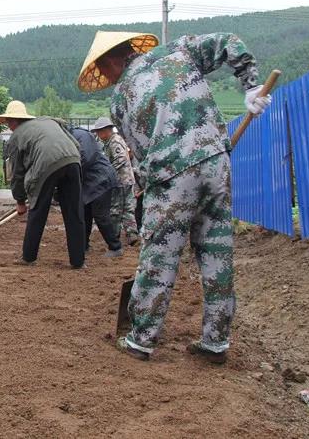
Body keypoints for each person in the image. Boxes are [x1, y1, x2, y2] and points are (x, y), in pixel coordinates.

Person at [78, 30, 271, 363]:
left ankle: (141, 339)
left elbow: (139, 153)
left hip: (170, 177)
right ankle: (216, 342)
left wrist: (147, 191)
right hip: (216, 163)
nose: (107, 79)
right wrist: (250, 84)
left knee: (160, 257)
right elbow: (228, 41)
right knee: (216, 253)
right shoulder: (179, 52)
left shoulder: (120, 100)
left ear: (111, 60)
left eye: (104, 71)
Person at [0, 101, 86, 268]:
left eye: (8, 122)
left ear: (13, 121)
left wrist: (20, 201)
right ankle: (78, 262)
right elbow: (76, 145)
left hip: (46, 164)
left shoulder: (16, 137)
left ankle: (28, 257)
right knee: (74, 212)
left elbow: (16, 173)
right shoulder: (48, 121)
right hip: (73, 160)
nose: (8, 125)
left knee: (38, 211)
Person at [71, 126, 122, 257]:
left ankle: (115, 247)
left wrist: (71, 173)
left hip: (101, 179)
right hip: (91, 182)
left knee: (100, 215)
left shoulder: (81, 135)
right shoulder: (73, 137)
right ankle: (84, 245)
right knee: (85, 213)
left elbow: (86, 158)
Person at [91, 117, 140, 246]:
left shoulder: (114, 142)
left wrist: (108, 172)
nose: (98, 135)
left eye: (99, 132)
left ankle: (115, 236)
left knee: (116, 209)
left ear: (106, 130)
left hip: (120, 181)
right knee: (127, 208)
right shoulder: (111, 141)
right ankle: (132, 234)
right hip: (126, 180)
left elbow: (121, 159)